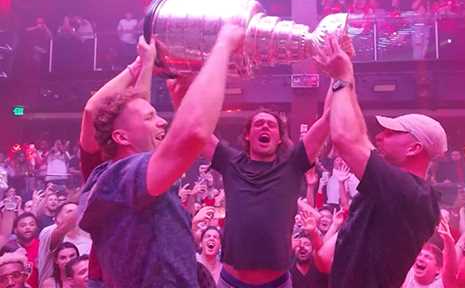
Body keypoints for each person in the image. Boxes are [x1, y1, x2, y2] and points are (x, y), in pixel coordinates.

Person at [78, 24, 245, 287]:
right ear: (121, 138)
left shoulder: (123, 176)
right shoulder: (121, 176)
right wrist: (222, 46)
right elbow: (194, 132)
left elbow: (136, 115)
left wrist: (147, 64)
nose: (163, 123)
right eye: (150, 117)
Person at [315, 35, 445, 287]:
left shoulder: (411, 193)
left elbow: (346, 138)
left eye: (392, 132)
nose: (380, 136)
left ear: (414, 148)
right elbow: (325, 260)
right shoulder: (386, 190)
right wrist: (341, 75)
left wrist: (344, 77)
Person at [199, 77, 330, 285]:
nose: (265, 127)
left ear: (279, 138)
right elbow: (195, 132)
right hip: (232, 283)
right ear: (249, 135)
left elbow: (327, 120)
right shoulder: (231, 161)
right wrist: (180, 92)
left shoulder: (292, 164)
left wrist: (338, 77)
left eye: (271, 125)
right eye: (258, 124)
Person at [38, 203, 91, 284]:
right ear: (57, 218)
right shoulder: (48, 231)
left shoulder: (88, 240)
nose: (75, 214)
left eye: (77, 211)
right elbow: (65, 226)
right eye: (69, 211)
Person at [1, 213, 40, 288]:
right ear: (15, 230)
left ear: (37, 227)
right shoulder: (8, 248)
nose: (28, 227)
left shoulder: (42, 247)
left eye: (31, 224)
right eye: (23, 225)